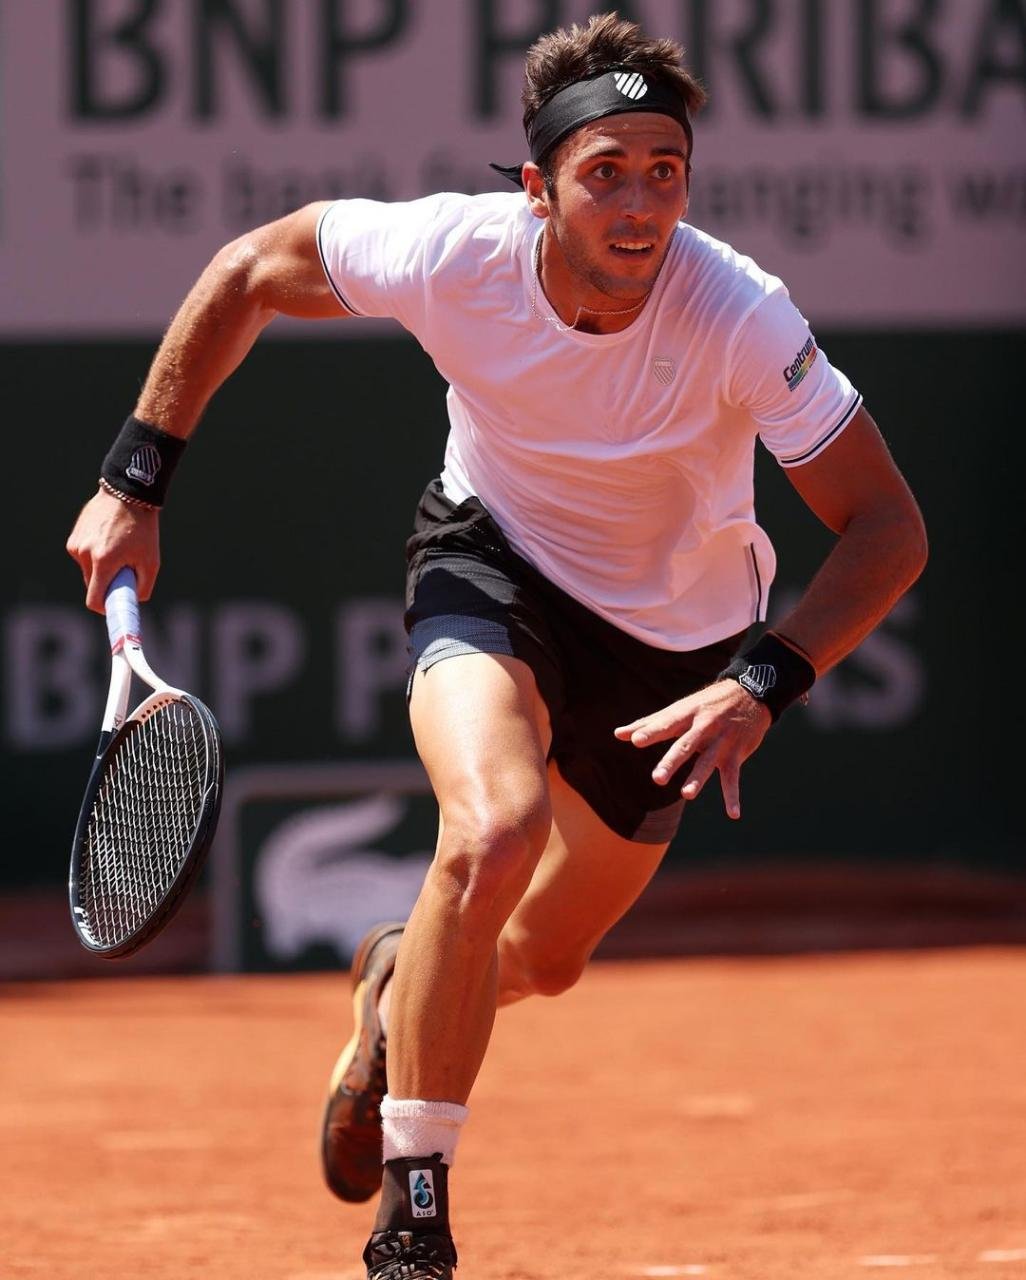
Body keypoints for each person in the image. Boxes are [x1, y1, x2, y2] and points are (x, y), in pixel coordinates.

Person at [66, 13, 928, 1278]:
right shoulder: (451, 253)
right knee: (490, 831)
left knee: (543, 956)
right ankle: (415, 1208)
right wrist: (133, 480)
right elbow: (252, 267)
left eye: (665, 171)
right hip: (494, 562)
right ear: (536, 188)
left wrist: (765, 676)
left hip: (679, 645)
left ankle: (392, 990)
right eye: (605, 173)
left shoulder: (740, 313)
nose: (641, 206)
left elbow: (888, 526)